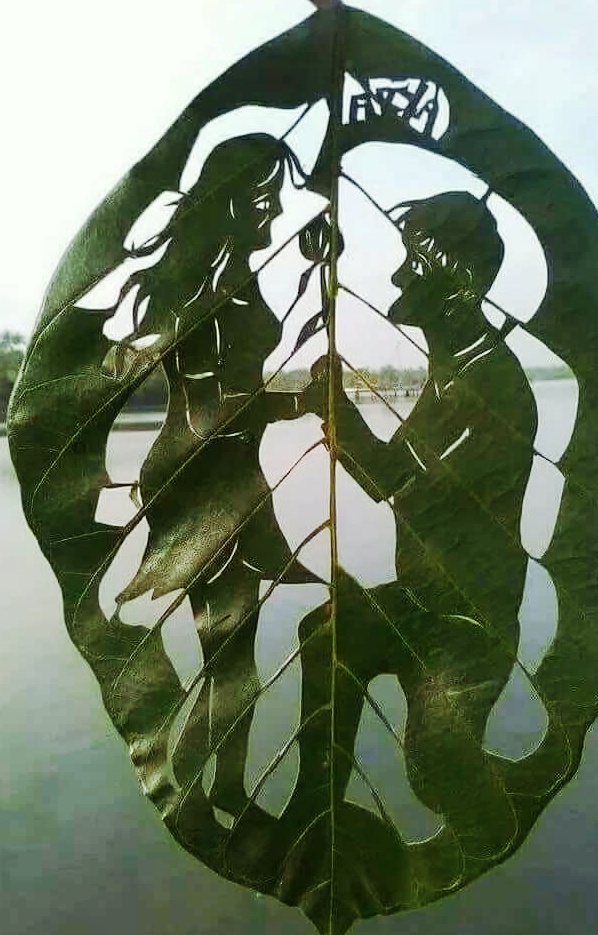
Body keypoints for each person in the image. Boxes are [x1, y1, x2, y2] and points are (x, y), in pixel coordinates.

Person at [301, 191, 537, 858]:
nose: (399, 276)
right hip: (422, 603)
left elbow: (404, 488)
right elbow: (390, 475)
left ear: (456, 284)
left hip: (467, 625)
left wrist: (338, 408)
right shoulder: (449, 377)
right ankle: (317, 822)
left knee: (435, 779)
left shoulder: (492, 386)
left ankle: (487, 836)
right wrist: (332, 407)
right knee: (324, 635)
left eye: (414, 262)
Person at [107, 133, 319, 825]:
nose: (275, 211)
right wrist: (298, 404)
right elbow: (209, 412)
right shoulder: (202, 294)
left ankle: (219, 788)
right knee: (230, 659)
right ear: (229, 203)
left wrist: (311, 280)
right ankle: (197, 795)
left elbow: (242, 371)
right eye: (264, 199)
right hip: (205, 488)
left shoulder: (234, 280)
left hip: (231, 478)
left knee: (233, 657)